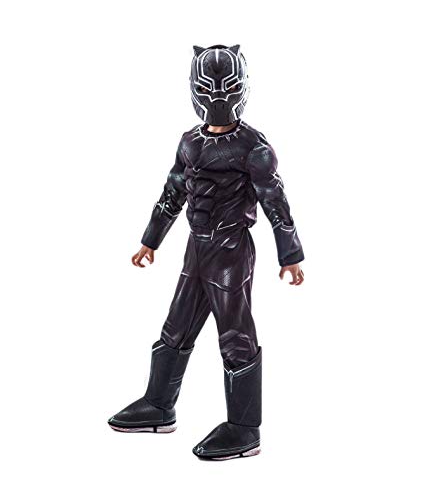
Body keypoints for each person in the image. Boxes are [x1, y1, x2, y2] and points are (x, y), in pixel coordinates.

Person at [108, 44, 305, 461]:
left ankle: (245, 429)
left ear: (240, 89)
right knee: (176, 325)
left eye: (226, 88)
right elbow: (173, 193)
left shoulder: (254, 146)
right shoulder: (190, 142)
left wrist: (290, 254)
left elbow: (275, 200)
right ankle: (159, 405)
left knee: (235, 335)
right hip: (196, 248)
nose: (217, 98)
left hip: (231, 250)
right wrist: (150, 241)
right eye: (208, 89)